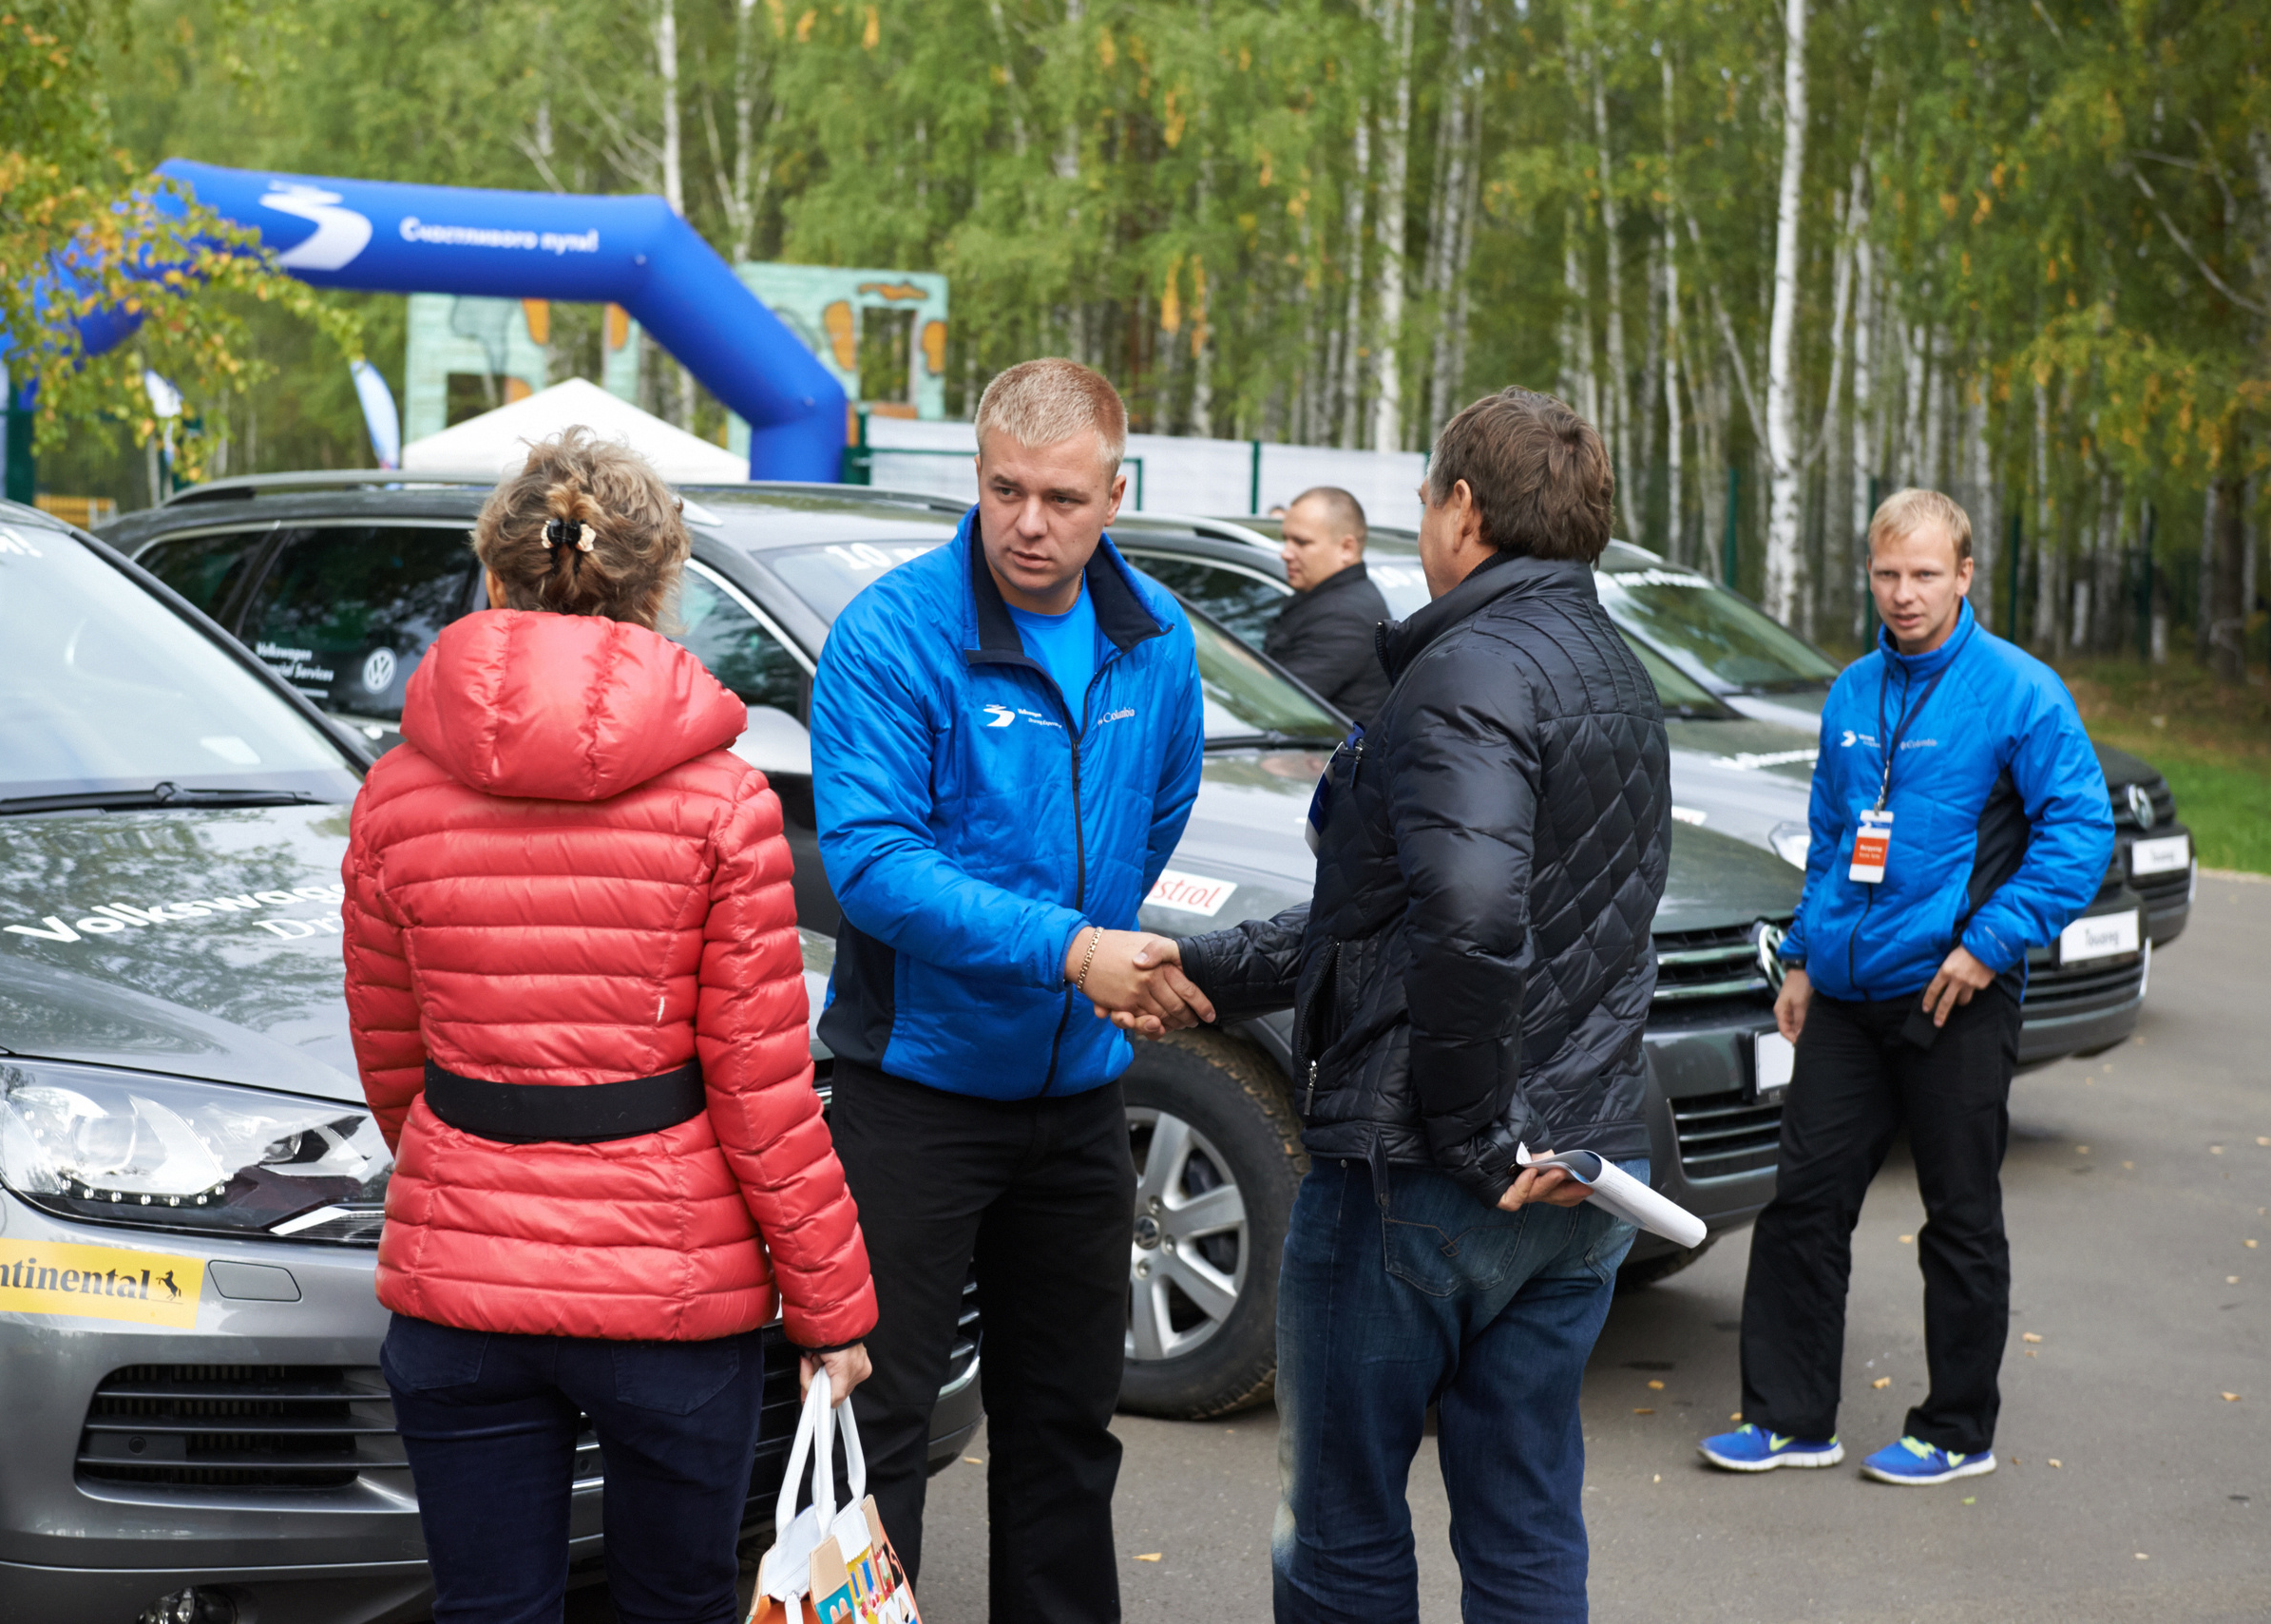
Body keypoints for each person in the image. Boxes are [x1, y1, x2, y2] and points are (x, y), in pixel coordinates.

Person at [1136, 388, 1670, 1624]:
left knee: (1341, 1532)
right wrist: (1202, 977)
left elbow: (1476, 920)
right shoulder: (1616, 674)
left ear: (1462, 509)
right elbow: (1384, 918)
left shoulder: (1465, 670)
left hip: (1426, 1175)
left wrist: (1478, 1137)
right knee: (1526, 1520)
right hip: (1577, 1176)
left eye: (1426, 499)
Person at [342, 430, 877, 1624]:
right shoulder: (723, 801)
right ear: (659, 583)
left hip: (462, 1282)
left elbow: (392, 1056)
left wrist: (472, 1171)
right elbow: (762, 1090)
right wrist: (833, 1306)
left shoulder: (394, 791)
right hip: (672, 1297)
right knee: (676, 1599)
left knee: (488, 1607)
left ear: (493, 575)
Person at [808, 356, 1210, 1623]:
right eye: (1005, 491)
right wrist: (1070, 949)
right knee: (875, 1433)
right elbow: (870, 863)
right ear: (974, 480)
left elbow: (1160, 811)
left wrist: (1095, 955)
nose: (1031, 524)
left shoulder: (1156, 641)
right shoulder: (895, 632)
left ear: (1116, 493)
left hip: (1078, 1099)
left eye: (1064, 498)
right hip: (914, 1094)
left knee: (1066, 1432)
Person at [1700, 488, 2111, 1486]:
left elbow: (2078, 834)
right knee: (1802, 1203)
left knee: (1959, 1213)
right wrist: (1801, 955)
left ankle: (1954, 1428)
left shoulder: (2019, 691)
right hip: (1844, 992)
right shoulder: (1850, 692)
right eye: (1886, 573)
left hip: (1955, 996)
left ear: (1964, 575)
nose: (1903, 593)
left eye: (1924, 573)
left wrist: (1987, 946)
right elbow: (1835, 842)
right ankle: (1792, 1417)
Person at [1265, 486, 1392, 724]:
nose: (1285, 553)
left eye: (1301, 542)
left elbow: (1273, 704)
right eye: (1286, 540)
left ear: (1347, 548)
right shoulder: (1325, 599)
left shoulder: (1345, 617)